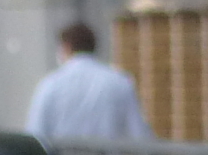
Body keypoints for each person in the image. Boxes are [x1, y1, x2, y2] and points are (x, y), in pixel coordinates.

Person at [24, 22, 152, 143]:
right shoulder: (119, 82)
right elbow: (139, 134)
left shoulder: (50, 85)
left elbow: (36, 133)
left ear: (66, 47)